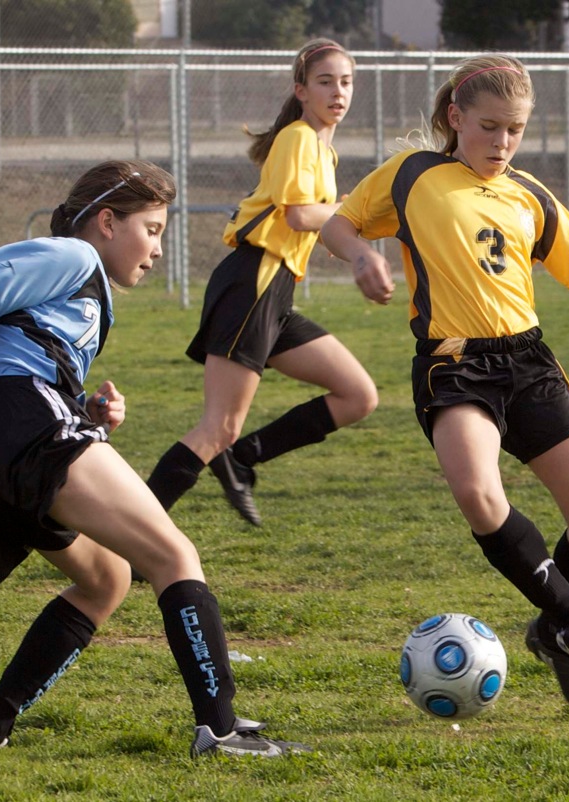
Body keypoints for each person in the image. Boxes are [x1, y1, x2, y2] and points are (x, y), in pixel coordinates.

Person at [320, 55, 569, 712]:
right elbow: (339, 222)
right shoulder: (413, 174)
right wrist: (362, 254)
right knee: (480, 496)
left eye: (514, 130)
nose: (502, 143)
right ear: (455, 118)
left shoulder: (531, 196)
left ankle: (551, 631)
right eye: (488, 127)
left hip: (529, 364)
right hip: (453, 366)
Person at [0, 160, 308, 758]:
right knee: (173, 553)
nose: (158, 250)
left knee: (107, 578)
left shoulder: (87, 291)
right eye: (152, 229)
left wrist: (84, 410)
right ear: (107, 221)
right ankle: (221, 728)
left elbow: (14, 359)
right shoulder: (72, 256)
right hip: (13, 421)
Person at [145, 38, 376, 528]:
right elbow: (297, 215)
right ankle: (129, 539)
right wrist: (351, 209)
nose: (338, 91)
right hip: (254, 281)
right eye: (325, 81)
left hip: (276, 292)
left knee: (358, 394)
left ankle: (244, 458)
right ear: (301, 90)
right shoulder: (297, 137)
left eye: (347, 81)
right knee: (217, 427)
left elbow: (320, 224)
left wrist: (361, 245)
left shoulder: (324, 152)